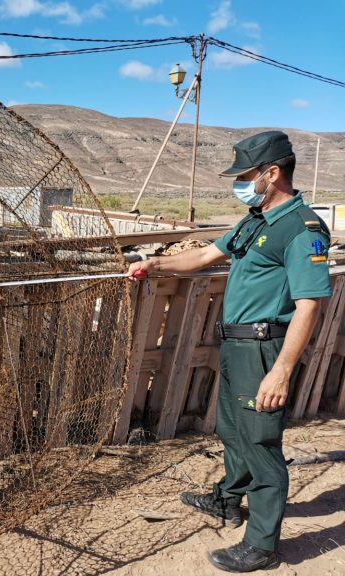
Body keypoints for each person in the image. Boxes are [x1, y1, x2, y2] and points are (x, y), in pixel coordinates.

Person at [127, 131, 332, 573]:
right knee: (233, 430)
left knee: (260, 442)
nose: (240, 183)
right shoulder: (255, 220)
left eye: (245, 175)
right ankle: (227, 499)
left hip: (264, 349)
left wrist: (281, 371)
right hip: (237, 345)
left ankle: (261, 546)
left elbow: (309, 306)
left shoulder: (302, 229)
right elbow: (204, 256)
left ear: (271, 173)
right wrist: (154, 264)